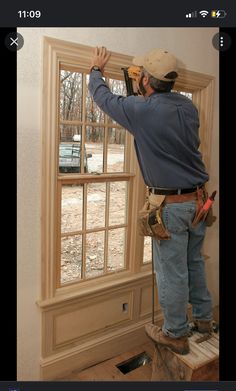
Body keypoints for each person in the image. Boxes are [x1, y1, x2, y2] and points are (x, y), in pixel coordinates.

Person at [88, 46, 213, 355]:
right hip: (199, 201)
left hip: (171, 208)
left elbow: (104, 99)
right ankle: (204, 319)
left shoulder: (141, 111)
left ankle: (175, 333)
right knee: (193, 261)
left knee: (172, 271)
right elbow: (159, 114)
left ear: (145, 80)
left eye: (142, 74)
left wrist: (95, 72)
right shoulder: (188, 107)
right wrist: (141, 90)